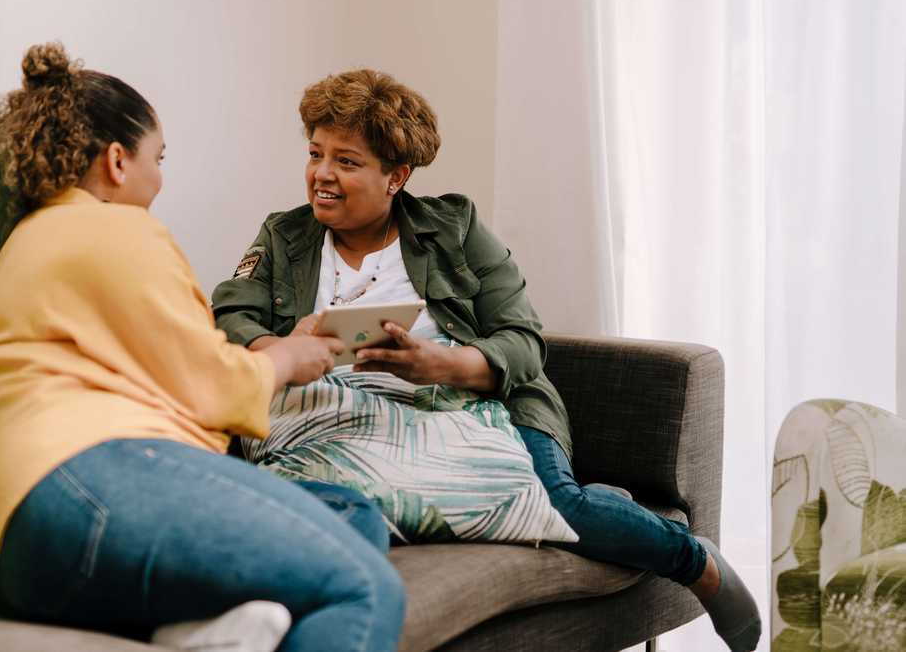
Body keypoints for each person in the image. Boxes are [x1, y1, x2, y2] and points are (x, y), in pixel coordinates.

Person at [212, 69, 761, 652]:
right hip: (340, 417)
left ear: (396, 177)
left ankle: (696, 562)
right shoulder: (283, 236)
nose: (321, 174)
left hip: (473, 404)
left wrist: (438, 366)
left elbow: (523, 340)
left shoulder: (454, 228)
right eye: (316, 154)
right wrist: (279, 347)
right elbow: (231, 314)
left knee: (558, 505)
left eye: (346, 162)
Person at [0, 44, 406, 651]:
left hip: (5, 550)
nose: (161, 179)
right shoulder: (108, 228)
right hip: (82, 478)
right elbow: (210, 384)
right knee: (366, 586)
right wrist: (287, 358)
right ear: (116, 162)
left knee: (352, 517)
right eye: (158, 158)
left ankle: (201, 633)